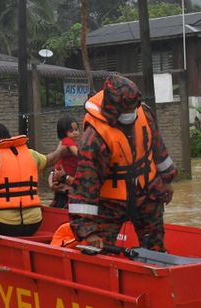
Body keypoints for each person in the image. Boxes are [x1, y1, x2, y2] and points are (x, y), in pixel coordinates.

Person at [68, 75, 178, 251]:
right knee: (103, 252)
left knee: (156, 248)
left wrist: (167, 181)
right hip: (110, 204)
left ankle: (155, 265)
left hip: (147, 192)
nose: (130, 115)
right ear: (112, 109)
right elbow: (85, 184)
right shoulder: (94, 138)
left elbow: (159, 150)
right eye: (125, 111)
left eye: (132, 110)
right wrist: (88, 231)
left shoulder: (144, 113)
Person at [49, 115, 80, 208]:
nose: (75, 133)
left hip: (60, 177)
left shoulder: (65, 142)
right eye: (71, 131)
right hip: (63, 178)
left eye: (76, 129)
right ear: (63, 132)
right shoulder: (67, 141)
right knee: (65, 204)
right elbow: (79, 154)